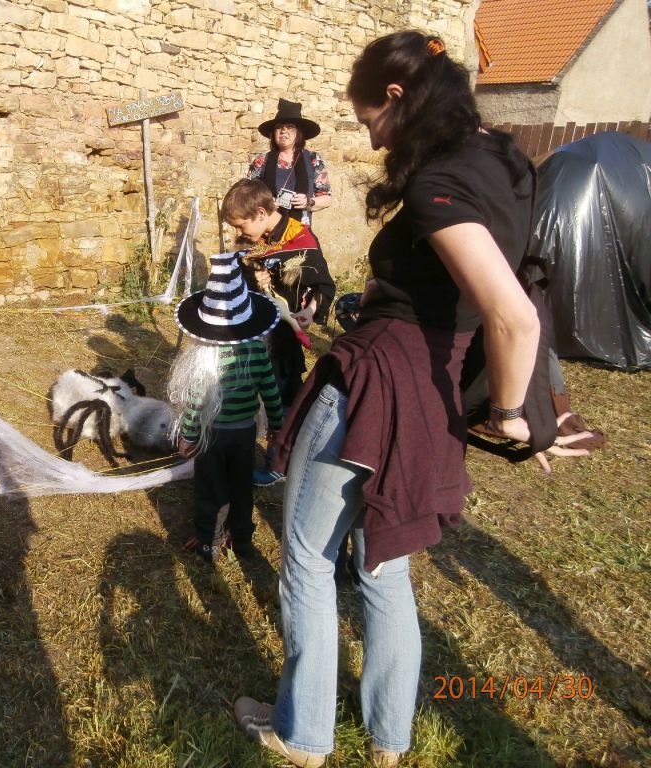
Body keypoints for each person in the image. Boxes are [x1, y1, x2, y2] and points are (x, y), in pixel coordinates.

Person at [232, 31, 577, 767]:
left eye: (369, 120)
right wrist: (532, 403)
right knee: (384, 563)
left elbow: (514, 314)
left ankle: (302, 734)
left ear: (396, 97)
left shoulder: (437, 183)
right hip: (432, 398)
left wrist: (510, 414)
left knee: (308, 560)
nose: (372, 138)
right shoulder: (507, 163)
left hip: (377, 383)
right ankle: (389, 739)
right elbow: (523, 286)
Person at [168, 252, 285, 564]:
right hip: (245, 435)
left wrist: (188, 436)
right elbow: (271, 393)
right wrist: (277, 427)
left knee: (210, 487)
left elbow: (196, 403)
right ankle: (242, 540)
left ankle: (209, 540)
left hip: (212, 436)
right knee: (241, 485)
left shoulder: (206, 357)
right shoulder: (258, 351)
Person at [221, 178, 335, 487]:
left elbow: (323, 285)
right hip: (254, 333)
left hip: (283, 340)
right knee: (248, 394)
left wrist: (310, 310)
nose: (239, 232)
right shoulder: (257, 238)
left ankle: (279, 462)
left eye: (241, 225)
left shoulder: (301, 240)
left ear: (260, 213)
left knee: (282, 399)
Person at [248, 98, 332, 227]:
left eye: (289, 127)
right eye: (278, 128)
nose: (283, 131)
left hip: (300, 230)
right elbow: (247, 194)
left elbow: (327, 198)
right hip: (268, 229)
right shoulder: (262, 160)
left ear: (298, 132)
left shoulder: (313, 160)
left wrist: (308, 202)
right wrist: (265, 203)